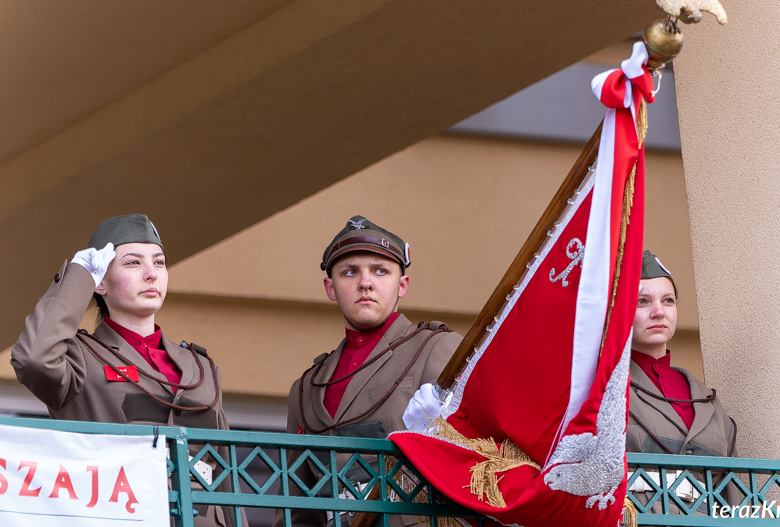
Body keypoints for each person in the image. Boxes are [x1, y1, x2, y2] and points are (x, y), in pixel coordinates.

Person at [11, 214, 240, 527]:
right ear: (101, 282)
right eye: (133, 263)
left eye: (159, 263)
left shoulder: (199, 366)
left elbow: (225, 470)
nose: (151, 274)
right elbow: (32, 359)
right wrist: (78, 278)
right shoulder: (80, 356)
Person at [279, 215, 462, 527]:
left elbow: (473, 467)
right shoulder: (306, 387)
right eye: (350, 272)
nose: (365, 282)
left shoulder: (437, 348)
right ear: (330, 288)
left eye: (380, 271)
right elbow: (299, 509)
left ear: (402, 285)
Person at [626, 250, 738, 513]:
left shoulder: (708, 400)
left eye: (668, 301)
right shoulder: (603, 387)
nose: (658, 312)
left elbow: (732, 490)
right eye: (642, 301)